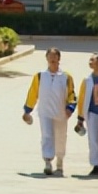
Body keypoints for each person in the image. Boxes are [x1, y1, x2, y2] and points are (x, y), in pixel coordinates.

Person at [22, 47, 76, 176]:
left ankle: (60, 161)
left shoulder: (66, 77)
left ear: (59, 58)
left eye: (55, 56)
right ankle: (47, 161)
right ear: (46, 58)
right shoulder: (40, 76)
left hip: (60, 113)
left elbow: (71, 94)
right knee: (47, 135)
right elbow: (33, 93)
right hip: (45, 112)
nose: (52, 59)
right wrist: (27, 110)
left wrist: (70, 107)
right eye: (50, 56)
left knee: (60, 137)